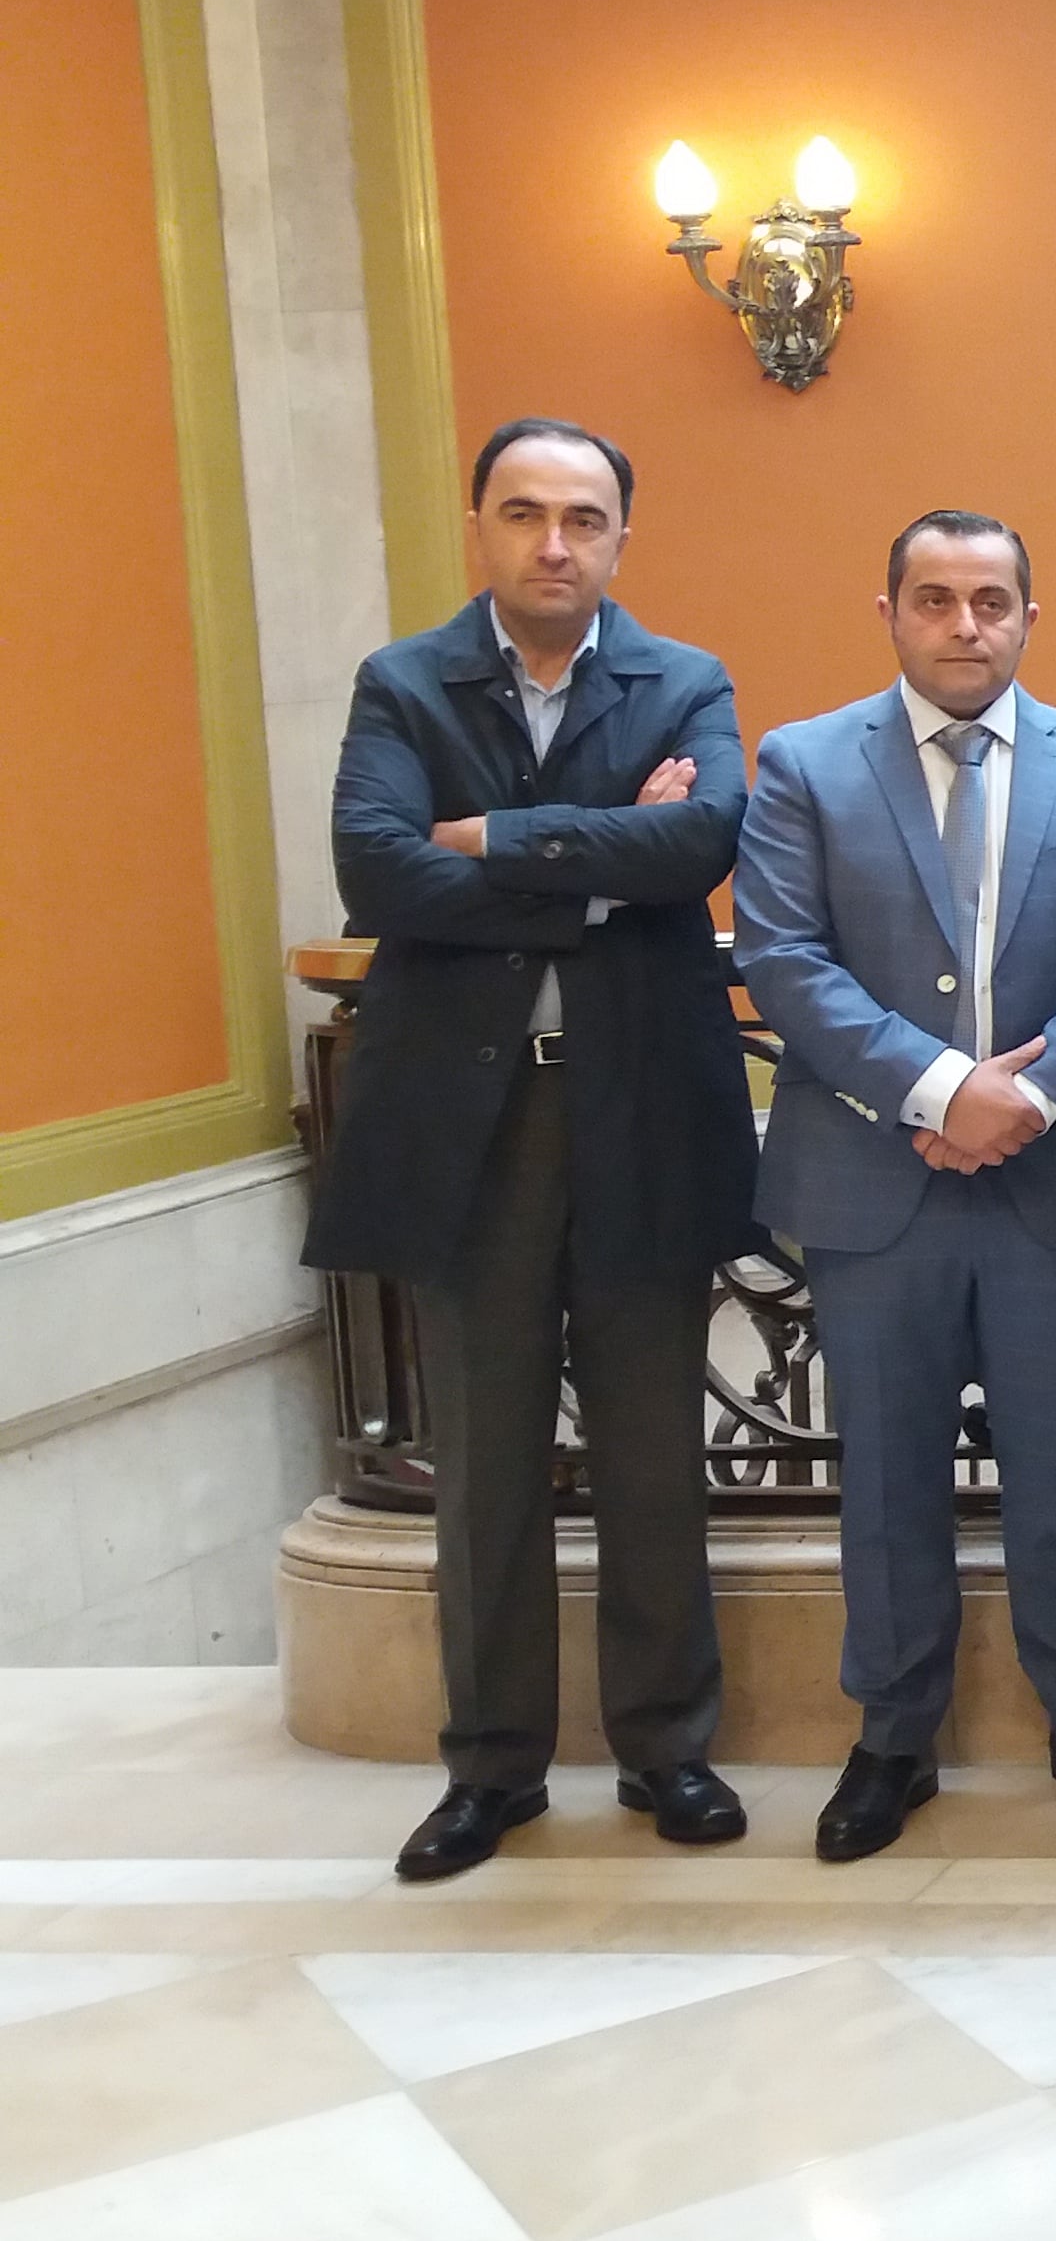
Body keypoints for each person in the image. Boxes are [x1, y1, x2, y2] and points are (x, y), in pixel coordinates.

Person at [306, 417, 759, 1883]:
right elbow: (378, 869)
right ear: (481, 529)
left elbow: (698, 852)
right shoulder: (404, 680)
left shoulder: (684, 680)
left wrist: (488, 842)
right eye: (524, 514)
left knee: (651, 1458)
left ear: (623, 534)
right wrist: (593, 860)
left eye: (582, 517)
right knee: (485, 1464)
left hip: (641, 1112)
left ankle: (666, 1751)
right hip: (469, 1128)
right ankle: (490, 1770)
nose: (553, 542)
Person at [731, 510, 1056, 1864]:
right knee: (885, 1475)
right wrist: (945, 1092)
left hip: (1051, 1180)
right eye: (934, 600)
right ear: (887, 612)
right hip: (874, 1186)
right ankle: (892, 1735)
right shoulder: (805, 765)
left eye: (991, 600)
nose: (965, 626)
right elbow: (786, 962)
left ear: (1028, 617)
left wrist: (1032, 1098)